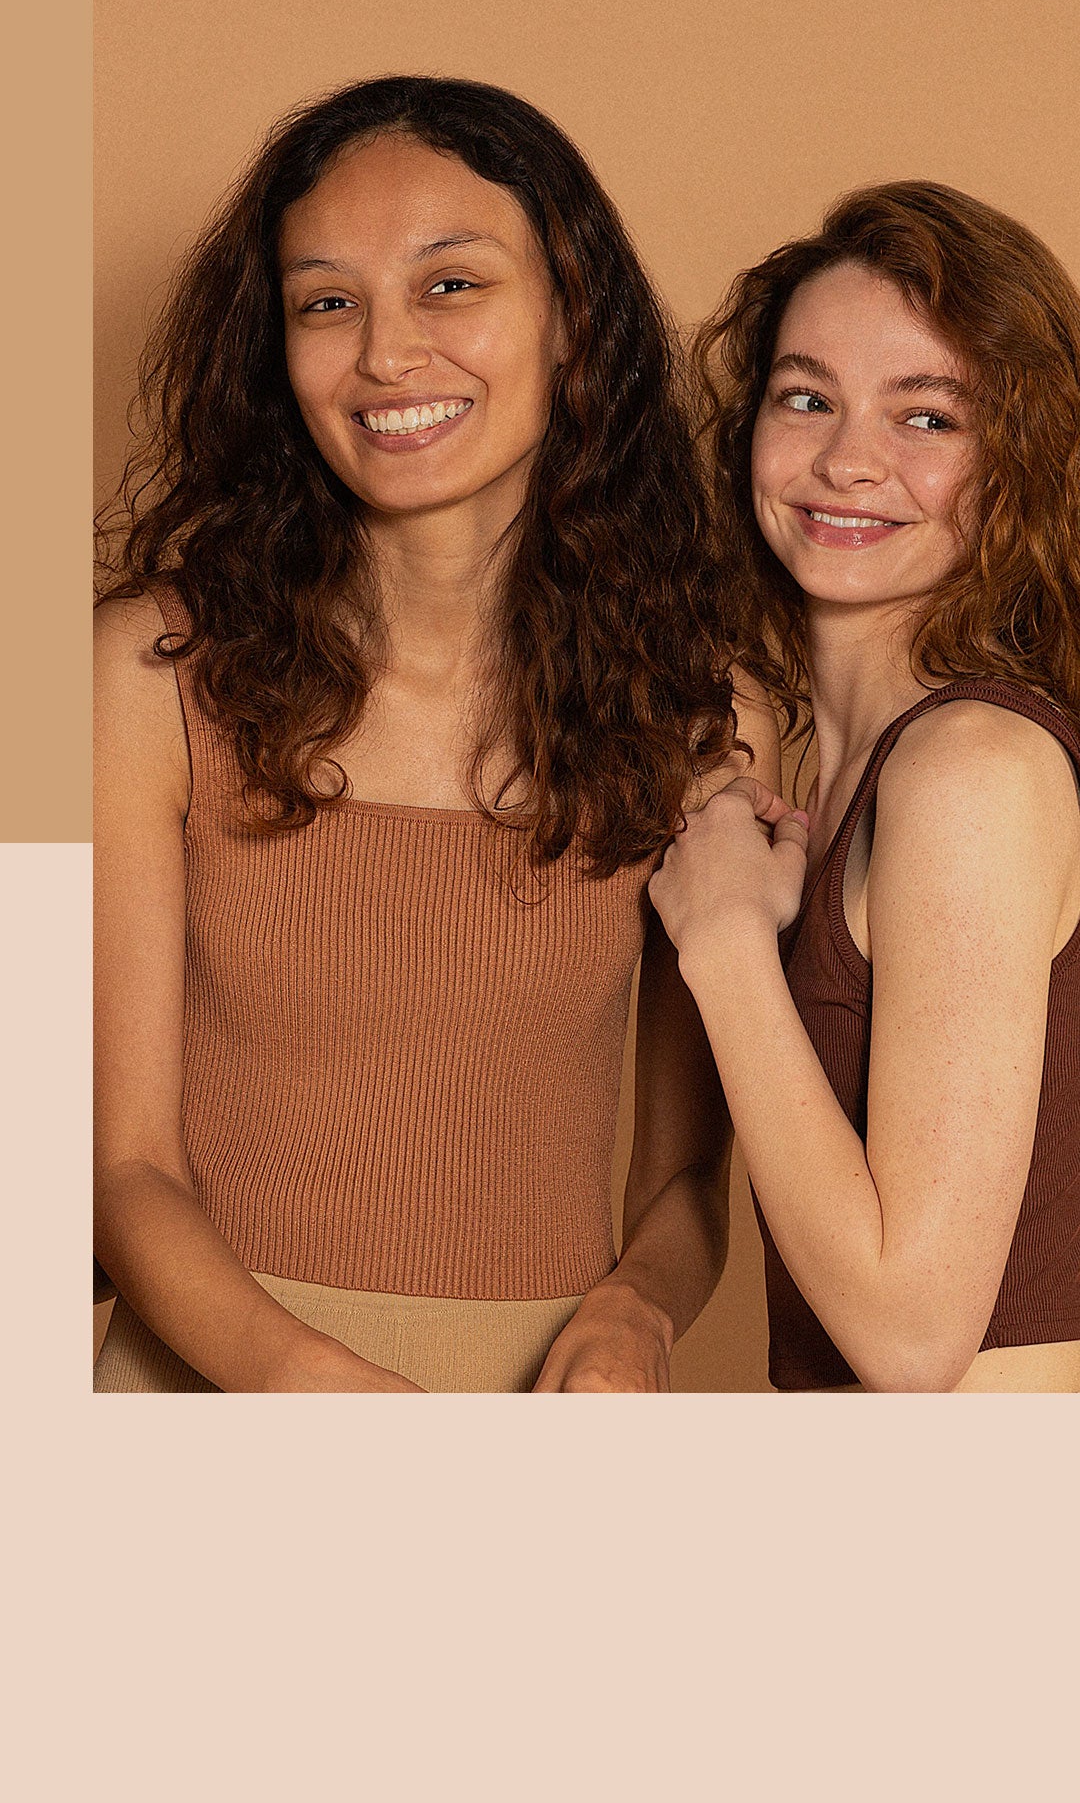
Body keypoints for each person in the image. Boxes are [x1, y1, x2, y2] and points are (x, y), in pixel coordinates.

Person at [94, 75, 778, 1393]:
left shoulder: (700, 710)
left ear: (575, 319)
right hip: (204, 1406)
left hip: (540, 1429)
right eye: (325, 302)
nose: (387, 353)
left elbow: (690, 1174)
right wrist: (307, 1385)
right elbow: (123, 1165)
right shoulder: (148, 676)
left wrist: (636, 1313)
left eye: (450, 284)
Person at [650, 181, 1080, 1392]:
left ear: (1022, 461)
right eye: (807, 398)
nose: (847, 461)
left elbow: (910, 1335)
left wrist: (728, 941)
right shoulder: (818, 775)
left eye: (929, 419)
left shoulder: (972, 771)